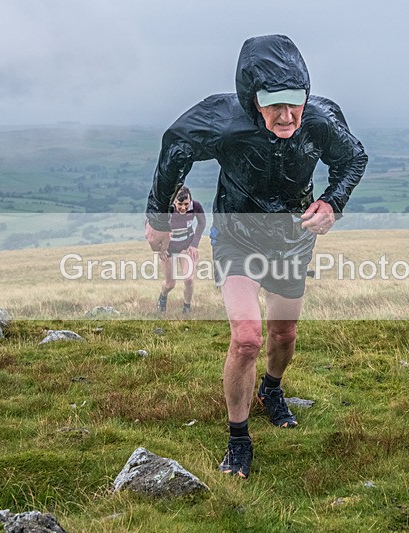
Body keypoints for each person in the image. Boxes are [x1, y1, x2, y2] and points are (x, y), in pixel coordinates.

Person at [145, 34, 367, 478]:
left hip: (292, 239)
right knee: (247, 337)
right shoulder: (224, 119)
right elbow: (175, 148)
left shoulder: (319, 119)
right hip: (237, 237)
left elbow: (353, 157)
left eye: (294, 103)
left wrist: (332, 203)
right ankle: (238, 439)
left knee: (283, 335)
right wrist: (158, 216)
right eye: (273, 104)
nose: (286, 115)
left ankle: (272, 389)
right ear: (253, 100)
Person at [156, 186, 206, 314]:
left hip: (186, 245)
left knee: (189, 279)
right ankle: (163, 297)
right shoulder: (167, 210)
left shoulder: (195, 207)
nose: (183, 208)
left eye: (186, 204)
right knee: (170, 284)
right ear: (174, 202)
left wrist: (194, 244)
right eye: (180, 204)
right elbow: (153, 226)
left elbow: (202, 223)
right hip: (169, 248)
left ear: (190, 201)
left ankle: (186, 308)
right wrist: (159, 248)